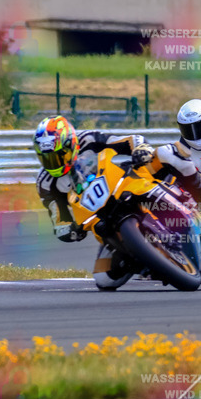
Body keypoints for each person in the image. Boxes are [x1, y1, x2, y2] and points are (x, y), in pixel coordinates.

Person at [33, 115, 155, 288]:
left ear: (70, 145)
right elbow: (58, 218)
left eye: (58, 156)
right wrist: (70, 230)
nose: (53, 163)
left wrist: (141, 149)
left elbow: (131, 141)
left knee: (160, 161)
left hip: (120, 185)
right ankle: (143, 260)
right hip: (99, 217)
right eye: (46, 158)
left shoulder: (88, 140)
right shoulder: (45, 183)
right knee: (103, 279)